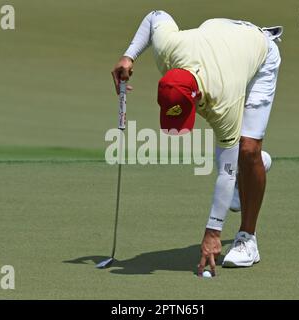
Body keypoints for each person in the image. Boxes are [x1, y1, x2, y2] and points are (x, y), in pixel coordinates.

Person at [111, 10, 282, 276]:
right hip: (222, 37)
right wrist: (128, 55)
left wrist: (213, 232)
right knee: (236, 155)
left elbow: (225, 174)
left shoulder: (225, 98)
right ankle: (249, 174)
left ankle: (248, 238)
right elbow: (156, 15)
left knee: (247, 149)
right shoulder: (168, 50)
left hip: (259, 53)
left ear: (198, 95)